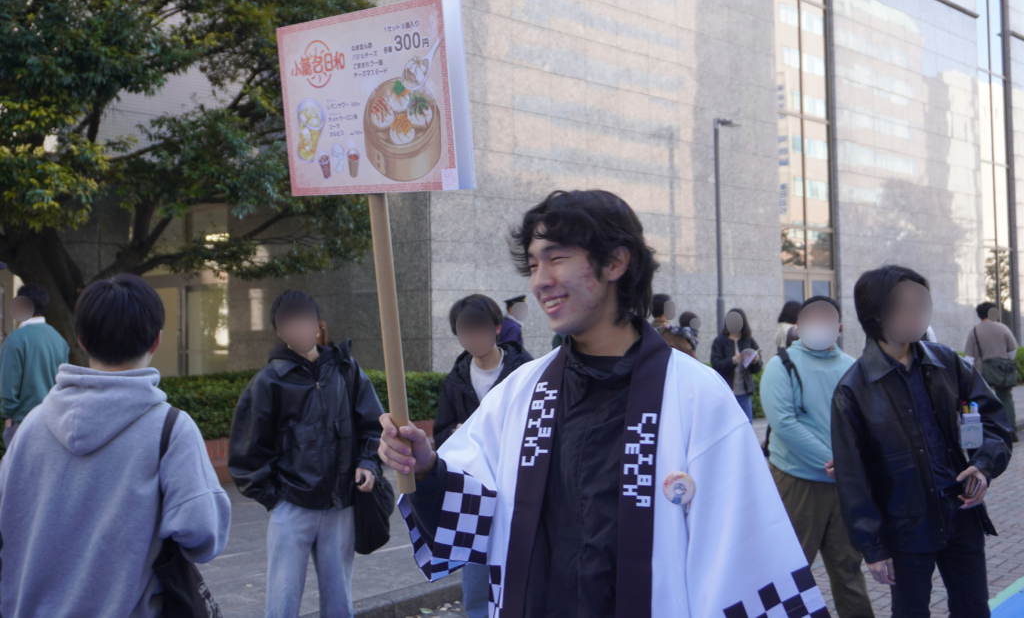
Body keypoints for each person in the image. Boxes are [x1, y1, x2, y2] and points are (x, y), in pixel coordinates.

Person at [379, 190, 828, 618]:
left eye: (556, 258)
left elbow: (742, 558)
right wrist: (427, 468)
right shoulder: (521, 393)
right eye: (533, 265)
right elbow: (473, 516)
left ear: (615, 261)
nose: (540, 281)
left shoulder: (695, 395)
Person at [0, 273, 231, 617]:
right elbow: (203, 535)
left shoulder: (32, 425)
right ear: (156, 340)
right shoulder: (170, 429)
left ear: (81, 340)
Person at [832, 266, 1012, 618]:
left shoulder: (947, 362)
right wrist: (873, 547)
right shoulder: (853, 389)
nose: (917, 313)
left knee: (974, 608)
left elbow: (995, 420)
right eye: (905, 305)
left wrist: (984, 466)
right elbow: (852, 476)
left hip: (962, 508)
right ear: (876, 313)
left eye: (921, 303)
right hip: (905, 524)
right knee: (911, 611)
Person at [229, 290, 384, 618]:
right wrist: (275, 499)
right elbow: (246, 452)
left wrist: (368, 463)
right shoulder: (268, 382)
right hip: (291, 507)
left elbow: (373, 425)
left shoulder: (346, 370)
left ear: (318, 325)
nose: (299, 327)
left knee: (339, 600)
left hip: (341, 504)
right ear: (279, 332)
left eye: (305, 320)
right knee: (282, 601)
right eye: (289, 322)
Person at [760, 296, 874, 618]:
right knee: (790, 570)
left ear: (840, 328)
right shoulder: (781, 366)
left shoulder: (854, 367)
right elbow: (784, 423)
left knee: (848, 568)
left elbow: (868, 421)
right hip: (797, 481)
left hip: (845, 486)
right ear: (798, 327)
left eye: (828, 321)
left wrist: (851, 464)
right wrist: (836, 460)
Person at [433, 293, 533, 618]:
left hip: (518, 489)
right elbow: (441, 433)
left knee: (522, 577)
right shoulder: (455, 379)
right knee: (475, 579)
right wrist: (457, 432)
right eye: (465, 331)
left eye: (480, 328)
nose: (473, 337)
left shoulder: (526, 371)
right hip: (473, 492)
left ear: (497, 328)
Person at [1, 284, 69, 446]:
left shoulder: (15, 340)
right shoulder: (59, 339)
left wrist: (7, 416)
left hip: (24, 422)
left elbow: (9, 385)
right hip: (54, 421)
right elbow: (63, 382)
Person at [965, 301, 1019, 442]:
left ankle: (989, 431)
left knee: (984, 400)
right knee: (1005, 397)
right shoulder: (1003, 328)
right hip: (1003, 371)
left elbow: (969, 358)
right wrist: (1004, 359)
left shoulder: (974, 331)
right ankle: (1011, 429)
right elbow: (1013, 350)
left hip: (982, 371)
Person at [711, 308, 762, 422]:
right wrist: (732, 361)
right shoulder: (720, 341)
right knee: (728, 425)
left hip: (744, 393)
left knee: (747, 424)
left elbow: (756, 369)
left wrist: (755, 361)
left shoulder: (748, 340)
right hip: (726, 393)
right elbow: (715, 365)